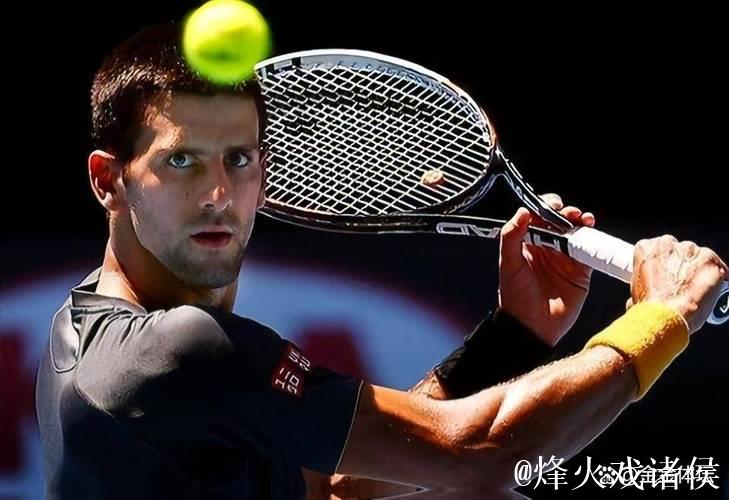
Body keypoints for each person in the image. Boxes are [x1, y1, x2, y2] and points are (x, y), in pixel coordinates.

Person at [35, 23, 727, 500]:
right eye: (182, 161)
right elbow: (480, 459)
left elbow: (342, 485)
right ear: (107, 180)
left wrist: (514, 334)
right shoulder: (173, 352)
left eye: (239, 159)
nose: (219, 193)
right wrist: (661, 318)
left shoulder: (84, 326)